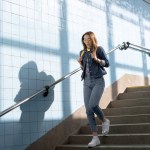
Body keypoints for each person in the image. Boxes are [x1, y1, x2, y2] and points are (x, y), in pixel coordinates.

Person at [78, 31, 110, 147]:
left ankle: (104, 120)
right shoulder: (82, 52)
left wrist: (97, 60)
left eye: (88, 39)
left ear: (92, 39)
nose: (86, 41)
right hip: (86, 82)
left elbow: (107, 63)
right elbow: (85, 69)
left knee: (93, 105)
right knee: (88, 110)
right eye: (84, 39)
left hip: (98, 81)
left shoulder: (99, 49)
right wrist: (80, 64)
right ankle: (95, 138)